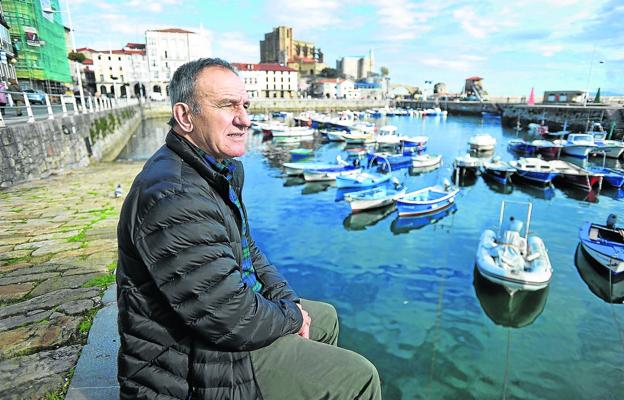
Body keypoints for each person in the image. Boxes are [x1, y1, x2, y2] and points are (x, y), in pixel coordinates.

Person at [116, 58, 381, 400]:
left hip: (217, 330)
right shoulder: (174, 195)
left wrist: (286, 302)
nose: (244, 118)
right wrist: (290, 316)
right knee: (358, 378)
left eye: (245, 105)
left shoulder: (215, 171)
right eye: (227, 105)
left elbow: (248, 250)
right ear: (185, 117)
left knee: (324, 317)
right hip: (192, 360)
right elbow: (225, 315)